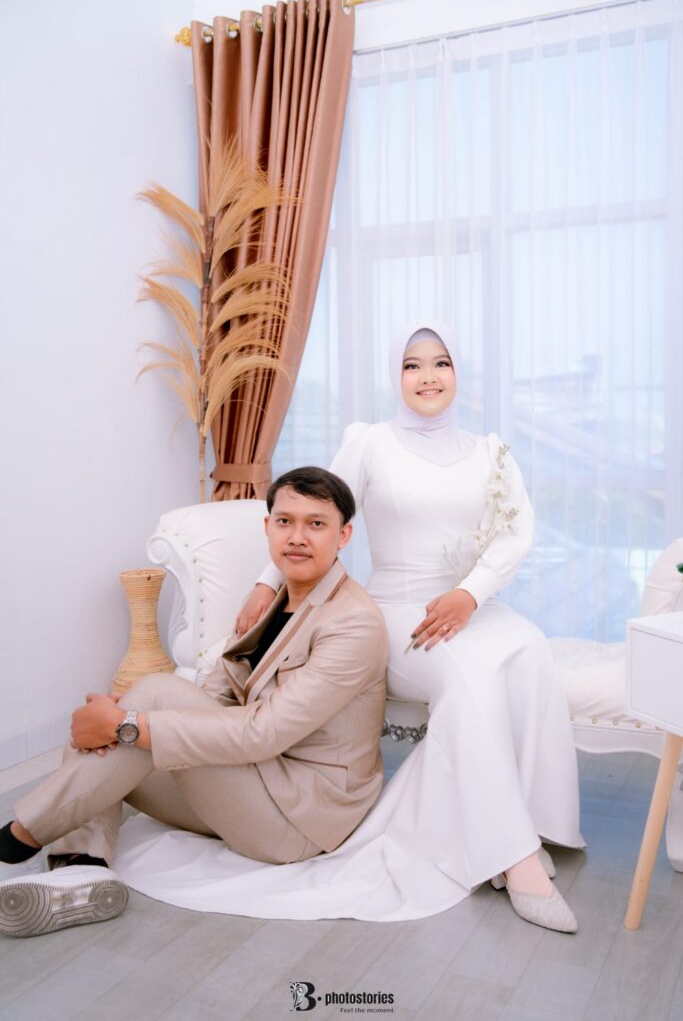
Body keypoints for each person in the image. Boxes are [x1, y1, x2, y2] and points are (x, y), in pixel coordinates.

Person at [235, 320, 583, 933]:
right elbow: (318, 512)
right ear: (396, 377)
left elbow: (516, 532)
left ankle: (525, 824)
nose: (428, 376)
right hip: (397, 612)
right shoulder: (370, 443)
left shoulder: (491, 452)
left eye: (441, 363)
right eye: (412, 365)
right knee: (469, 674)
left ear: (458, 373)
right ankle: (514, 858)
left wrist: (470, 594)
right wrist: (268, 582)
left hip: (468, 605)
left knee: (529, 650)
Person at [0, 467, 388, 938]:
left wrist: (128, 722)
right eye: (285, 521)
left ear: (343, 535)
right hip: (248, 785)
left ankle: (20, 835)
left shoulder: (353, 622)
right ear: (267, 527)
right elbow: (215, 696)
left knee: (142, 706)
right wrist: (122, 723)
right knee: (97, 739)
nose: (297, 537)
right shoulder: (273, 600)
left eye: (317, 524)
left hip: (299, 817)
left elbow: (264, 733)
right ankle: (81, 869)